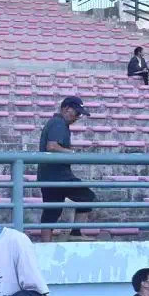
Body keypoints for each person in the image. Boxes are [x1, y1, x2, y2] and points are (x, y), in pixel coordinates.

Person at [36, 96, 95, 243]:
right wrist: (73, 153)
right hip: (58, 176)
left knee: (51, 212)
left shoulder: (57, 123)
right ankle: (75, 233)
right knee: (87, 196)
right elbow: (52, 146)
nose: (78, 117)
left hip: (49, 175)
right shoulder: (58, 123)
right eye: (77, 113)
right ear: (66, 109)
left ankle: (46, 246)